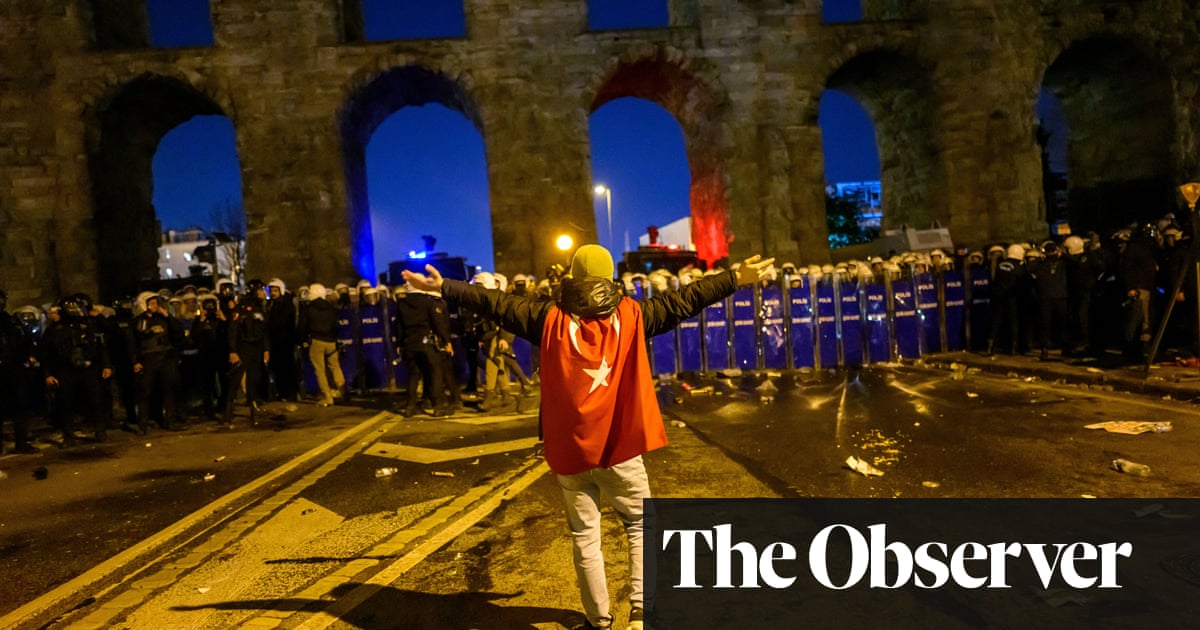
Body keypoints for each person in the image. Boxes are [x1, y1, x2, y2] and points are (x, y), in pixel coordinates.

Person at [403, 244, 774, 630]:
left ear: (573, 278)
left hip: (570, 453)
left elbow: (495, 303)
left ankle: (599, 621)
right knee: (639, 527)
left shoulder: (546, 317)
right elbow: (685, 300)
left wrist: (443, 285)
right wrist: (734, 278)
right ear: (608, 275)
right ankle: (640, 615)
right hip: (619, 450)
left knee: (584, 537)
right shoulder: (633, 314)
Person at [41, 294, 112, 445]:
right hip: (65, 369)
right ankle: (69, 436)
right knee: (66, 403)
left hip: (89, 368)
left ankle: (100, 432)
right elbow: (46, 353)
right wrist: (48, 374)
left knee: (96, 401)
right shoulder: (55, 329)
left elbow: (101, 346)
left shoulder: (89, 325)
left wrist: (106, 365)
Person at [393, 280, 453, 417]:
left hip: (409, 344)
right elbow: (437, 322)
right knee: (434, 373)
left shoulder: (401, 304)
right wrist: (446, 340)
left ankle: (410, 406)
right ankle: (438, 406)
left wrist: (400, 344)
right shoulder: (428, 301)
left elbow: (399, 327)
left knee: (413, 375)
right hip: (426, 343)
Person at [227, 283, 270, 424]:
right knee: (235, 380)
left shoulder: (260, 308)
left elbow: (264, 332)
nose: (264, 292)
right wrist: (233, 350)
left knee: (254, 379)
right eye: (261, 290)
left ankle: (253, 410)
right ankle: (227, 414)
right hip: (243, 347)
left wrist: (266, 349)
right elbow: (233, 330)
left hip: (256, 348)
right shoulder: (241, 308)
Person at [0, 289, 37, 453]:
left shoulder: (11, 321)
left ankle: (21, 442)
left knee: (20, 405)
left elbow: (25, 339)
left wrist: (27, 356)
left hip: (14, 367)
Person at [299, 283, 344, 407]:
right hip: (331, 341)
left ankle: (327, 396)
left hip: (317, 340)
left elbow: (303, 326)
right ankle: (341, 389)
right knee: (335, 366)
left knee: (320, 370)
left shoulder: (309, 308)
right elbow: (337, 325)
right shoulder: (331, 308)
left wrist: (301, 340)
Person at [267, 278, 301, 402]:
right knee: (278, 369)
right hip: (276, 341)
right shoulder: (271, 304)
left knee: (288, 368)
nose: (273, 293)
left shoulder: (286, 304)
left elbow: (282, 322)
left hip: (285, 340)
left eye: (275, 290)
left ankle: (291, 393)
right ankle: (282, 392)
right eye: (271, 291)